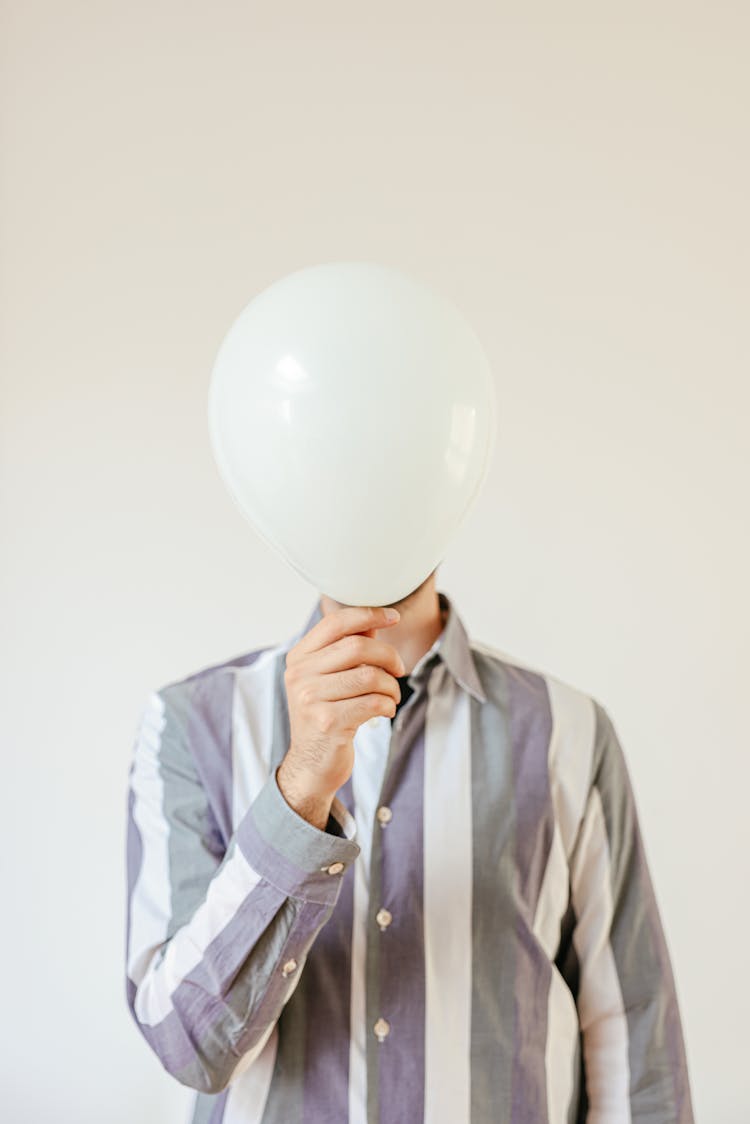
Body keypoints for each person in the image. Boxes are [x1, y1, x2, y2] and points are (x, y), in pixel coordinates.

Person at [124, 567, 696, 1122]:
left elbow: (636, 1042)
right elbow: (189, 1049)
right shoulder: (189, 725)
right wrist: (298, 790)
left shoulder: (570, 731)